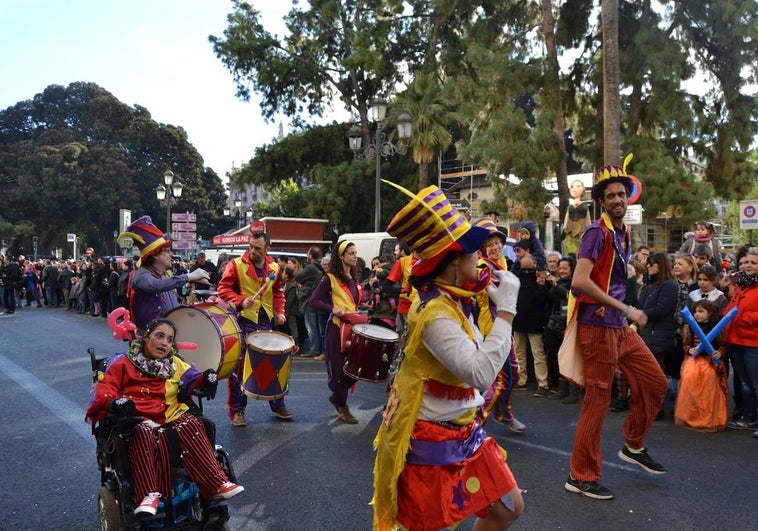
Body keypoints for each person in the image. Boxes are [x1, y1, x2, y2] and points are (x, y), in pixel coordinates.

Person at [372, 185, 523, 531]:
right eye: (473, 252)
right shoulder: (435, 312)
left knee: (508, 507)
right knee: (429, 525)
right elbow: (480, 372)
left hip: (465, 429)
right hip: (431, 437)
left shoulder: (455, 300)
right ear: (454, 263)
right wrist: (508, 310)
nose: (481, 258)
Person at [562, 161, 668, 500]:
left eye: (621, 193)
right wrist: (628, 309)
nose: (617, 199)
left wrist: (629, 276)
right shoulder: (597, 231)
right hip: (598, 328)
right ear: (602, 201)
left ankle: (633, 444)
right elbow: (579, 281)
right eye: (610, 195)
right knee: (596, 402)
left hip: (619, 328)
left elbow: (610, 273)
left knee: (655, 382)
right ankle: (581, 476)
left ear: (628, 197)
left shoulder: (623, 233)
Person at [85, 318, 243, 515]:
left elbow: (194, 378)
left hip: (169, 415)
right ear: (146, 337)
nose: (164, 343)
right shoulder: (123, 363)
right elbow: (104, 390)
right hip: (137, 418)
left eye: (169, 340)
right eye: (159, 336)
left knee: (192, 423)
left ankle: (216, 483)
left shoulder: (175, 363)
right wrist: (115, 402)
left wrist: (208, 376)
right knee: (143, 432)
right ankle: (149, 495)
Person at [216, 231, 293, 426]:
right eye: (250, 246)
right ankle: (238, 411)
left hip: (266, 322)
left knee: (273, 363)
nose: (252, 251)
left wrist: (280, 311)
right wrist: (241, 300)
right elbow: (223, 289)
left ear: (268, 249)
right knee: (240, 368)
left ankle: (277, 404)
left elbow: (277, 293)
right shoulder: (236, 265)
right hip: (243, 322)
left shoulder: (274, 266)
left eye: (258, 248)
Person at [473, 217, 526, 433]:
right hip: (492, 328)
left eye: (497, 243)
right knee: (503, 379)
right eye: (490, 244)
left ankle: (504, 413)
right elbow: (495, 298)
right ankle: (473, 424)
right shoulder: (483, 268)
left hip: (504, 325)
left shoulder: (501, 263)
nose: (495, 247)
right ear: (483, 249)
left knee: (513, 372)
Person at [117, 215, 210, 332]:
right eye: (166, 251)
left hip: (165, 336)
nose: (171, 255)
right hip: (149, 342)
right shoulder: (141, 275)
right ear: (155, 255)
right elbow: (155, 285)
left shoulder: (163, 276)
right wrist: (188, 276)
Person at [308, 240, 366, 424]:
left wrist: (363, 305)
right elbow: (314, 301)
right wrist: (332, 308)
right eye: (351, 253)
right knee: (340, 369)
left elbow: (352, 302)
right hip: (337, 328)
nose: (355, 256)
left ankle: (338, 398)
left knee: (357, 367)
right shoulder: (330, 278)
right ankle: (342, 406)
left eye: (355, 253)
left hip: (354, 327)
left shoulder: (354, 279)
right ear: (341, 256)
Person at [636, 252, 678, 419]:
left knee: (657, 372)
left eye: (651, 264)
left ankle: (657, 407)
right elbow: (641, 306)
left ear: (661, 265)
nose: (648, 266)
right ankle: (648, 405)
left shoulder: (669, 285)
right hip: (647, 333)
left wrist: (638, 314)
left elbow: (662, 309)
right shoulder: (648, 285)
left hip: (659, 334)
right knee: (647, 373)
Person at [674, 299, 728, 432]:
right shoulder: (690, 326)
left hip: (709, 361)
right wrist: (689, 350)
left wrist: (719, 353)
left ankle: (706, 418)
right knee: (689, 378)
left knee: (708, 383)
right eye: (695, 311)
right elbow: (686, 344)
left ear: (710, 313)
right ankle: (690, 415)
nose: (697, 314)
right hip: (694, 360)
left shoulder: (717, 327)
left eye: (701, 311)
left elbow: (723, 346)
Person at [722, 247, 758, 432]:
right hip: (736, 340)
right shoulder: (742, 284)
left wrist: (742, 318)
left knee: (755, 383)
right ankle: (749, 418)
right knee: (744, 383)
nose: (749, 266)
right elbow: (731, 307)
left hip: (753, 342)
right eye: (746, 262)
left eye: (753, 263)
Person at [512, 254, 551, 395]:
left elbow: (548, 299)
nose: (527, 272)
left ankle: (543, 384)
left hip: (535, 321)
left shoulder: (541, 279)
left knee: (538, 355)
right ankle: (521, 380)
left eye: (529, 269)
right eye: (524, 269)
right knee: (519, 354)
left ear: (535, 265)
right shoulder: (517, 277)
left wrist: (543, 285)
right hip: (519, 320)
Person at [295, 246, 325, 359]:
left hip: (309, 299)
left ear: (311, 256)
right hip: (319, 299)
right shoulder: (321, 265)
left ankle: (314, 349)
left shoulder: (311, 266)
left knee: (311, 326)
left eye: (308, 254)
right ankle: (318, 349)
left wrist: (304, 281)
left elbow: (298, 277)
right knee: (317, 326)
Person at [562, 179, 591, 257]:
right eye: (572, 187)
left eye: (578, 186)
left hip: (582, 233)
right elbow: (566, 219)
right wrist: (565, 229)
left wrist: (589, 231)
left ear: (583, 189)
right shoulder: (570, 206)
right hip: (570, 233)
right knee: (569, 251)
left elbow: (588, 220)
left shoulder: (584, 205)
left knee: (580, 252)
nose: (574, 189)